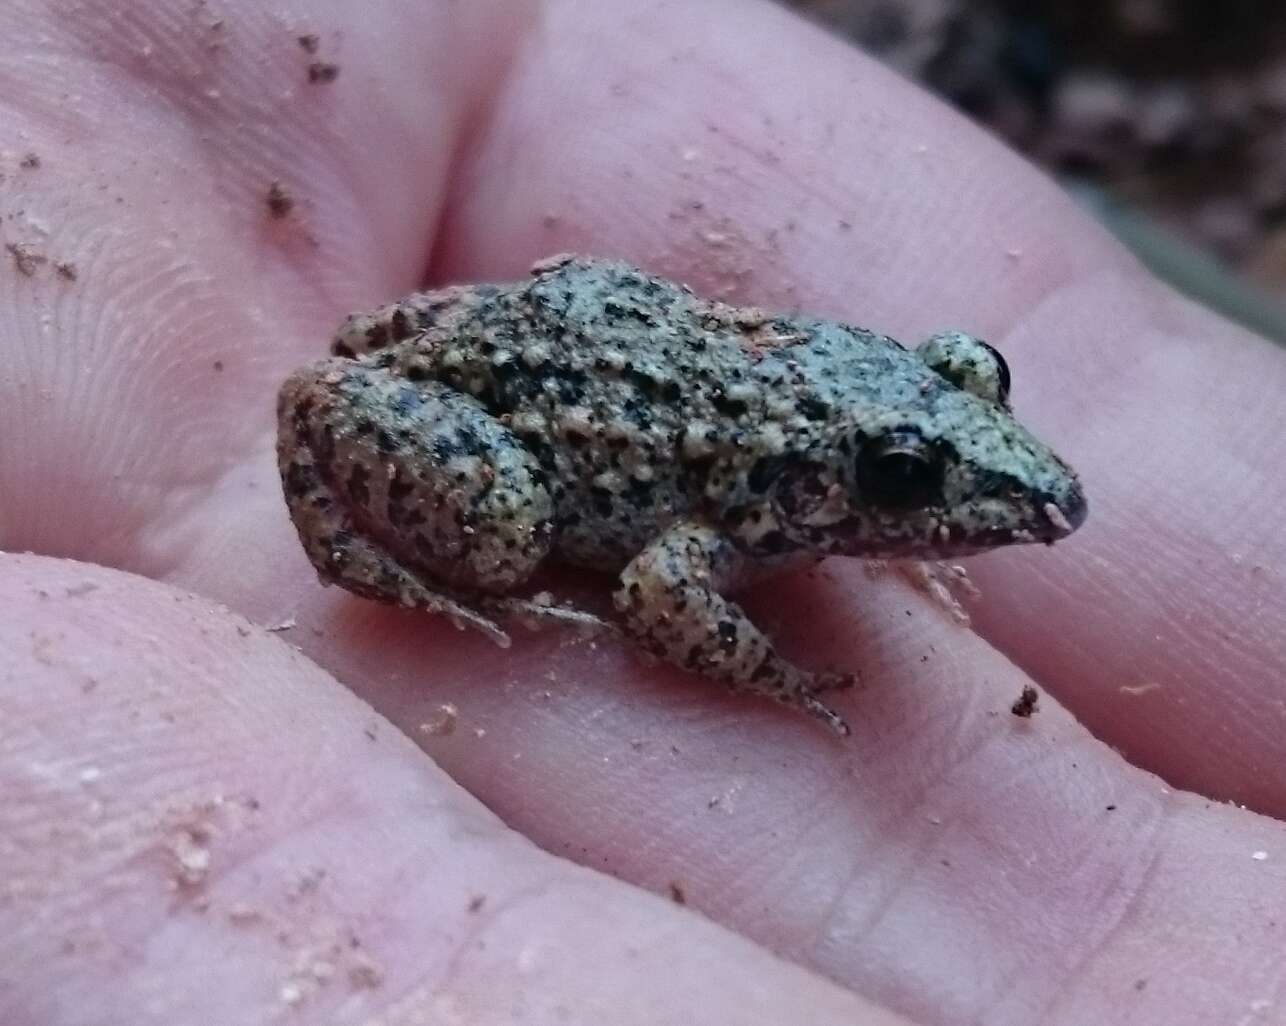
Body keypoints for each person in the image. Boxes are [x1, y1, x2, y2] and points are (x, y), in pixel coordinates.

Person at [3, 2, 1284, 1023]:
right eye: (901, 477)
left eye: (967, 395)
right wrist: (768, 670)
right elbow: (659, 588)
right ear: (823, 479)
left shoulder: (809, 457)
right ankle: (385, 557)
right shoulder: (748, 508)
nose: (962, 491)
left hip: (550, 346)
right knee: (502, 534)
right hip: (508, 406)